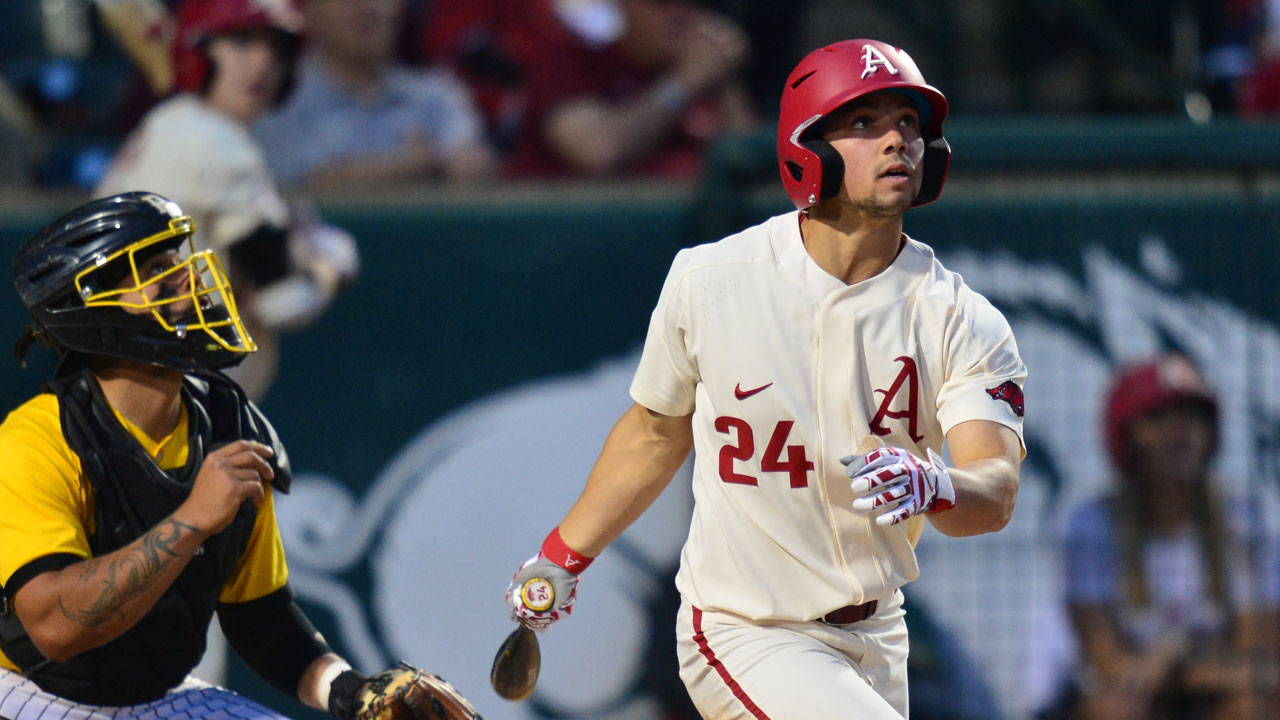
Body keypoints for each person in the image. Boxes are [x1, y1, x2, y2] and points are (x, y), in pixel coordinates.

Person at [502, 39, 1026, 719]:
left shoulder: (962, 318)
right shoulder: (711, 279)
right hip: (744, 628)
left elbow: (997, 490)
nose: (897, 139)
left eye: (907, 122)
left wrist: (939, 483)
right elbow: (652, 436)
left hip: (876, 633)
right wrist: (560, 556)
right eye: (864, 124)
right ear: (806, 149)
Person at [0, 192, 479, 720]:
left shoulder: (229, 424)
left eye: (179, 260)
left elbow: (263, 618)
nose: (187, 277)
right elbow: (55, 629)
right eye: (157, 267)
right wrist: (191, 522)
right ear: (92, 307)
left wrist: (351, 692)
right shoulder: (37, 439)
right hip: (30, 693)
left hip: (154, 696)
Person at [96, 0, 360, 403]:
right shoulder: (220, 146)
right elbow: (286, 303)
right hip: (176, 405)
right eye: (240, 41)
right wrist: (328, 267)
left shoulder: (166, 125)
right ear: (198, 51)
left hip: (121, 391)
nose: (261, 63)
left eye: (275, 47)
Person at [1058, 353, 1280, 720]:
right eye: (1159, 417)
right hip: (1141, 696)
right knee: (1113, 710)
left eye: (1194, 416)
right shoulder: (1093, 524)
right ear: (1126, 435)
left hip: (1211, 694)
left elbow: (1255, 659)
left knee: (1259, 705)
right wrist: (1175, 666)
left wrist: (1175, 660)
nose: (1180, 432)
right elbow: (1109, 663)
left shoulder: (1242, 521)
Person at [424, 0, 756, 178]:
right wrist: (689, 78)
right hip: (571, 254)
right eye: (659, 3)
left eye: (687, 3)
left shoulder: (705, 72)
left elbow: (752, 164)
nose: (678, 15)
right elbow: (596, 150)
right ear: (624, 7)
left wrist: (722, 77)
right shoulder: (570, 58)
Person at [253, 0, 495, 191]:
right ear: (309, 12)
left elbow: (474, 168)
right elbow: (298, 188)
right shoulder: (278, 96)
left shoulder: (437, 95)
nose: (367, 7)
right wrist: (418, 164)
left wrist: (460, 166)